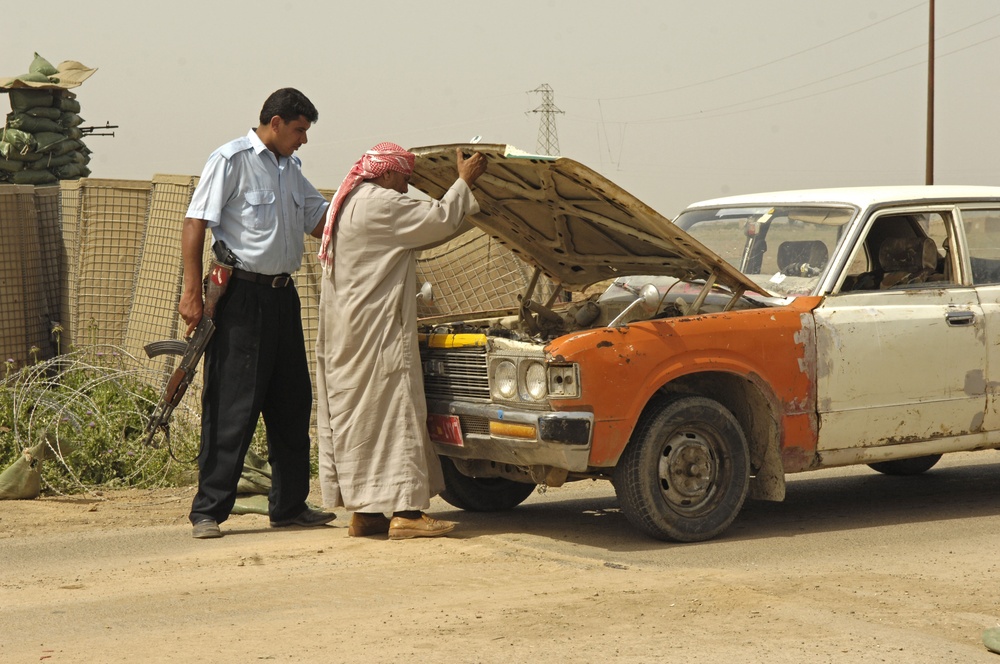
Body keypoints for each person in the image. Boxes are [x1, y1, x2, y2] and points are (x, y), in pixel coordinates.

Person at [180, 88, 335, 539]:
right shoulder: (230, 161)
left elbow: (321, 220)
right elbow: (195, 222)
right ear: (275, 122)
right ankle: (208, 510)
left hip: (283, 298)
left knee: (291, 402)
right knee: (233, 405)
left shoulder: (291, 168)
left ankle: (289, 505)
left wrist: (365, 199)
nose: (303, 140)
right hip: (241, 299)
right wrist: (192, 293)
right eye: (299, 130)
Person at [315, 142, 487, 539]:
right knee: (396, 416)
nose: (406, 189)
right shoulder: (381, 204)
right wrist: (464, 182)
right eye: (405, 180)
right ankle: (407, 513)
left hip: (349, 335)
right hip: (377, 334)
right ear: (387, 173)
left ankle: (367, 511)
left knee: (361, 422)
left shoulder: (351, 202)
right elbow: (440, 220)